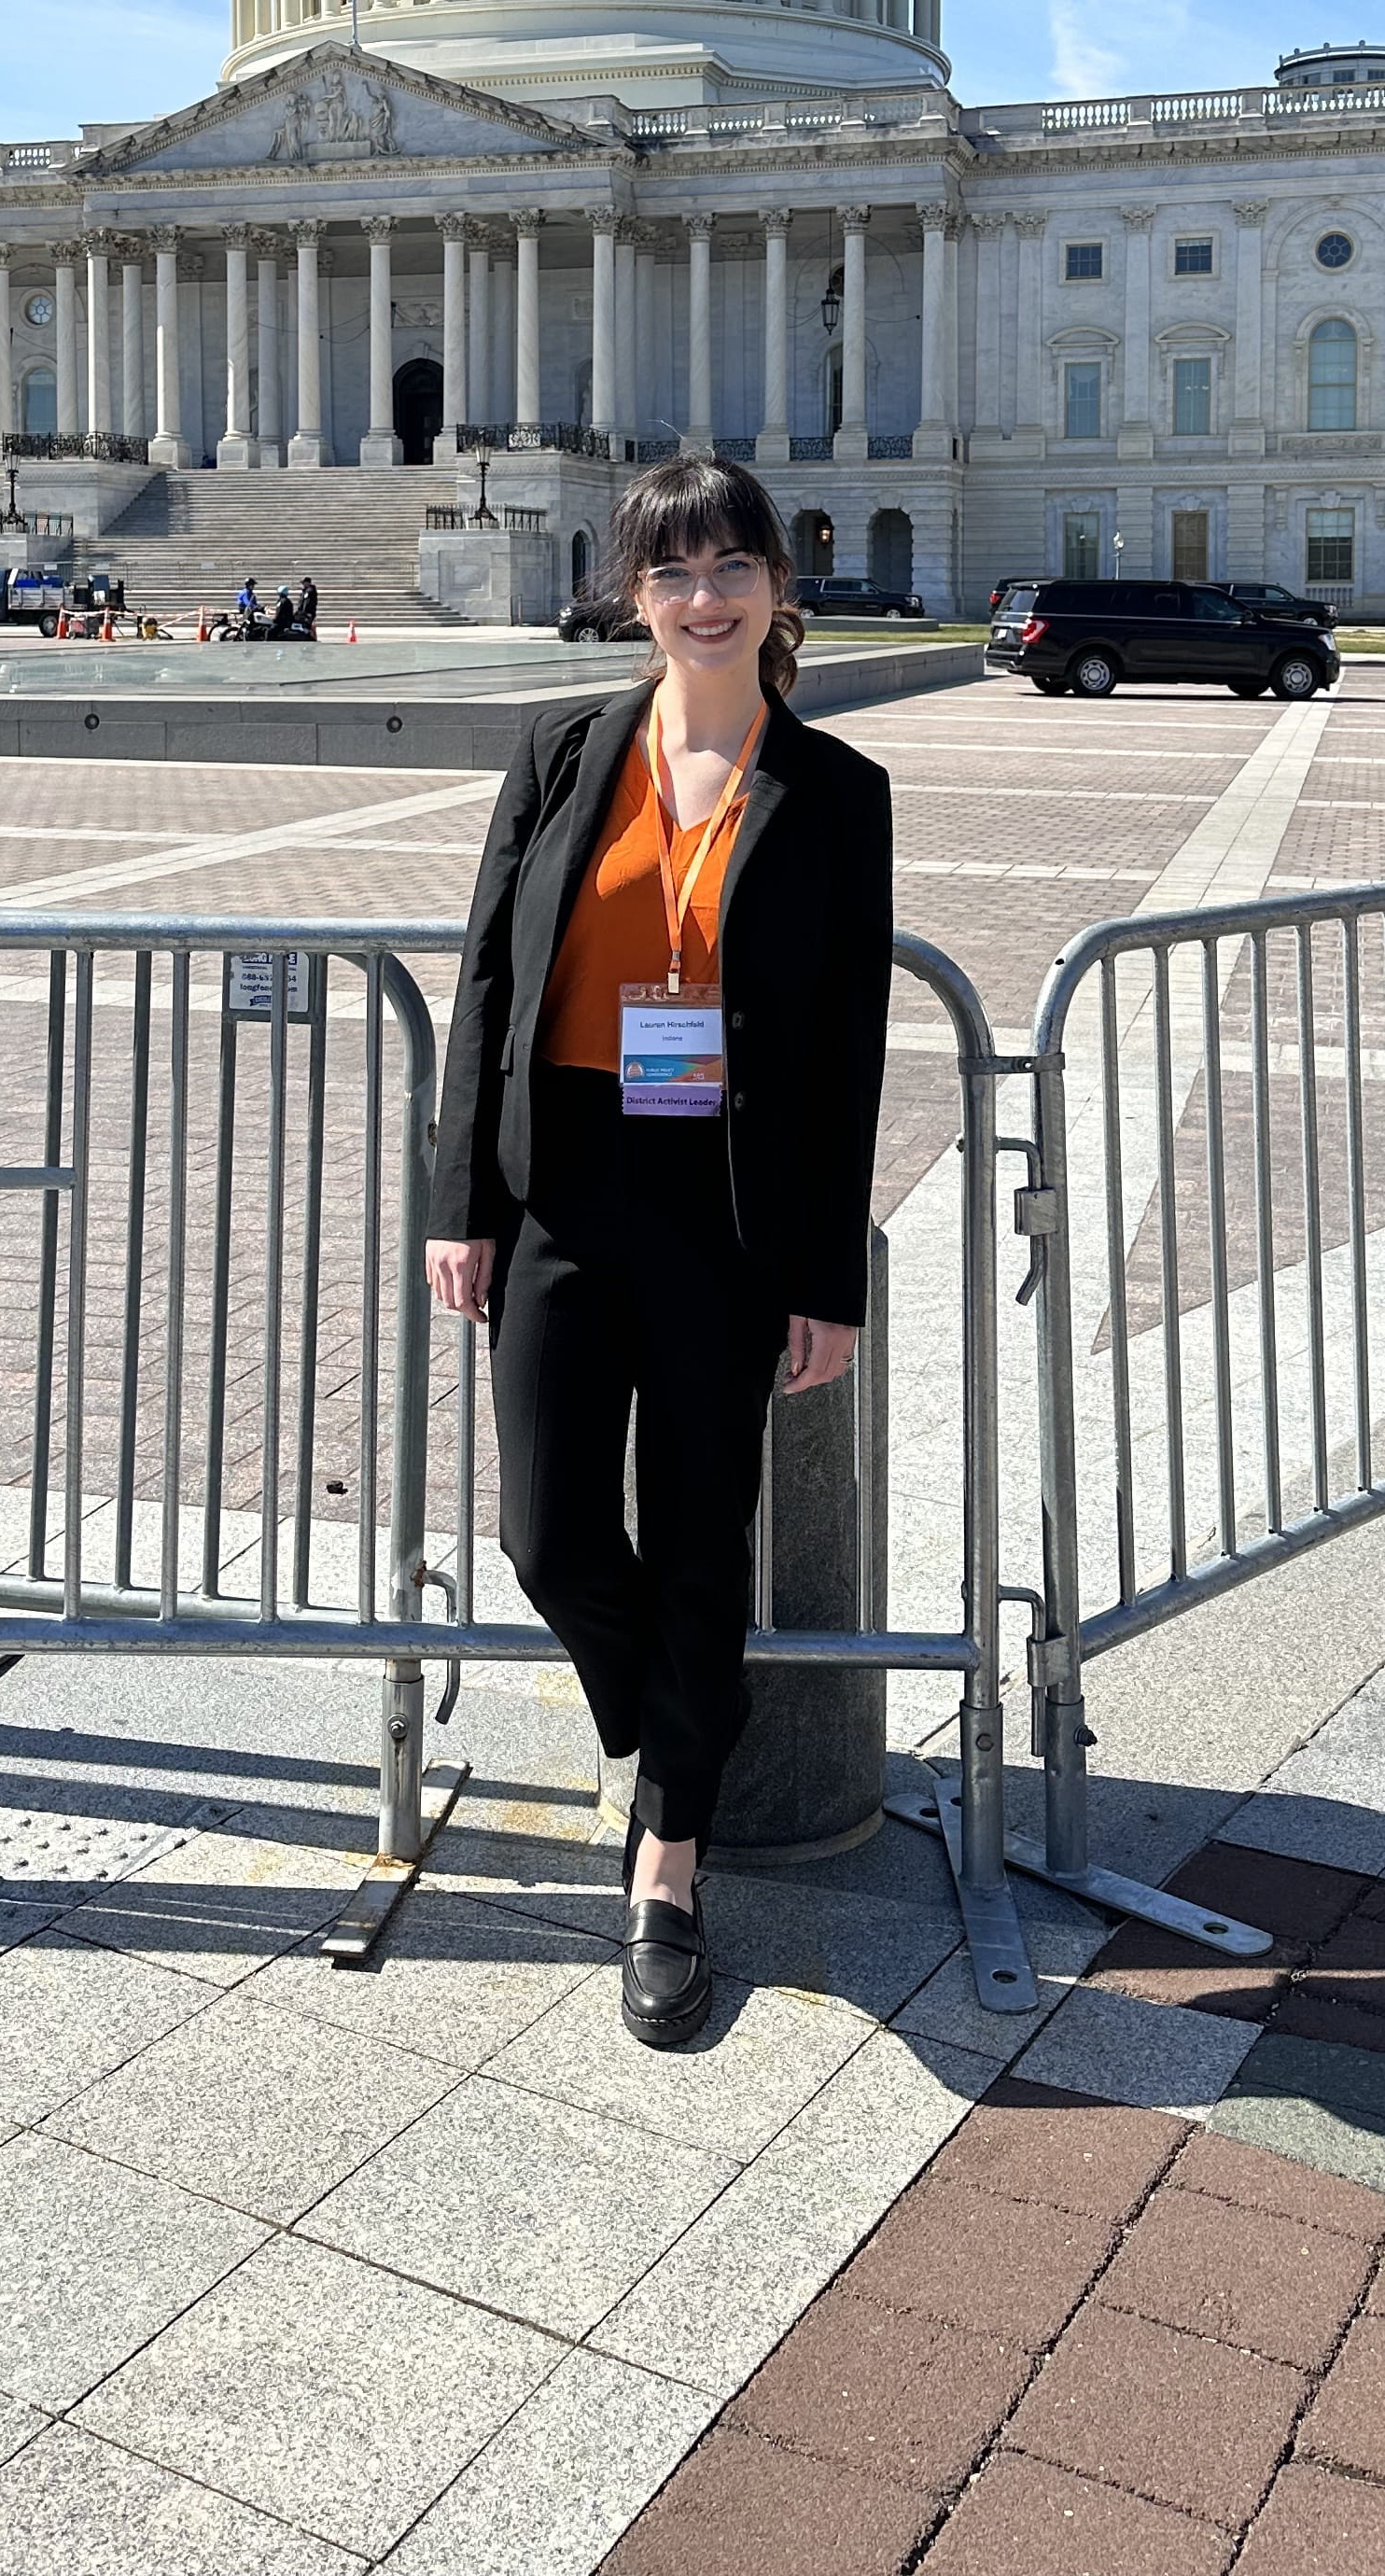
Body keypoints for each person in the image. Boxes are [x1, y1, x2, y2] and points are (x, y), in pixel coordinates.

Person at [427, 454, 890, 2049]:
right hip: (559, 1179)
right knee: (548, 1533)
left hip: (723, 1205)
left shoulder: (834, 792)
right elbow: (487, 983)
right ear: (630, 594)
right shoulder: (560, 751)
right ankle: (673, 1720)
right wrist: (456, 1203)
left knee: (700, 1536)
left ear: (775, 588)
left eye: (729, 566)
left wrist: (823, 1273)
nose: (704, 597)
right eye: (672, 570)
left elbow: (841, 1050)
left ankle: (669, 1864)